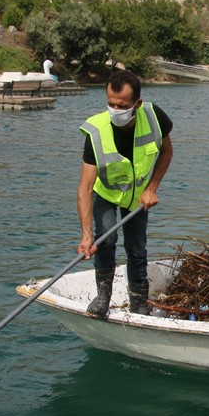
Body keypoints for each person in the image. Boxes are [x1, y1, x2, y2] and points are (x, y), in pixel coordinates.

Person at [77, 70, 173, 317]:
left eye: (122, 105)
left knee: (137, 248)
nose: (115, 110)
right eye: (110, 104)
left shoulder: (153, 117)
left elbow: (166, 152)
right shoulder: (96, 131)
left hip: (138, 196)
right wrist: (86, 235)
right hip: (107, 194)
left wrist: (151, 188)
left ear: (137, 104)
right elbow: (85, 187)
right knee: (105, 241)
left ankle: (138, 303)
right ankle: (102, 298)